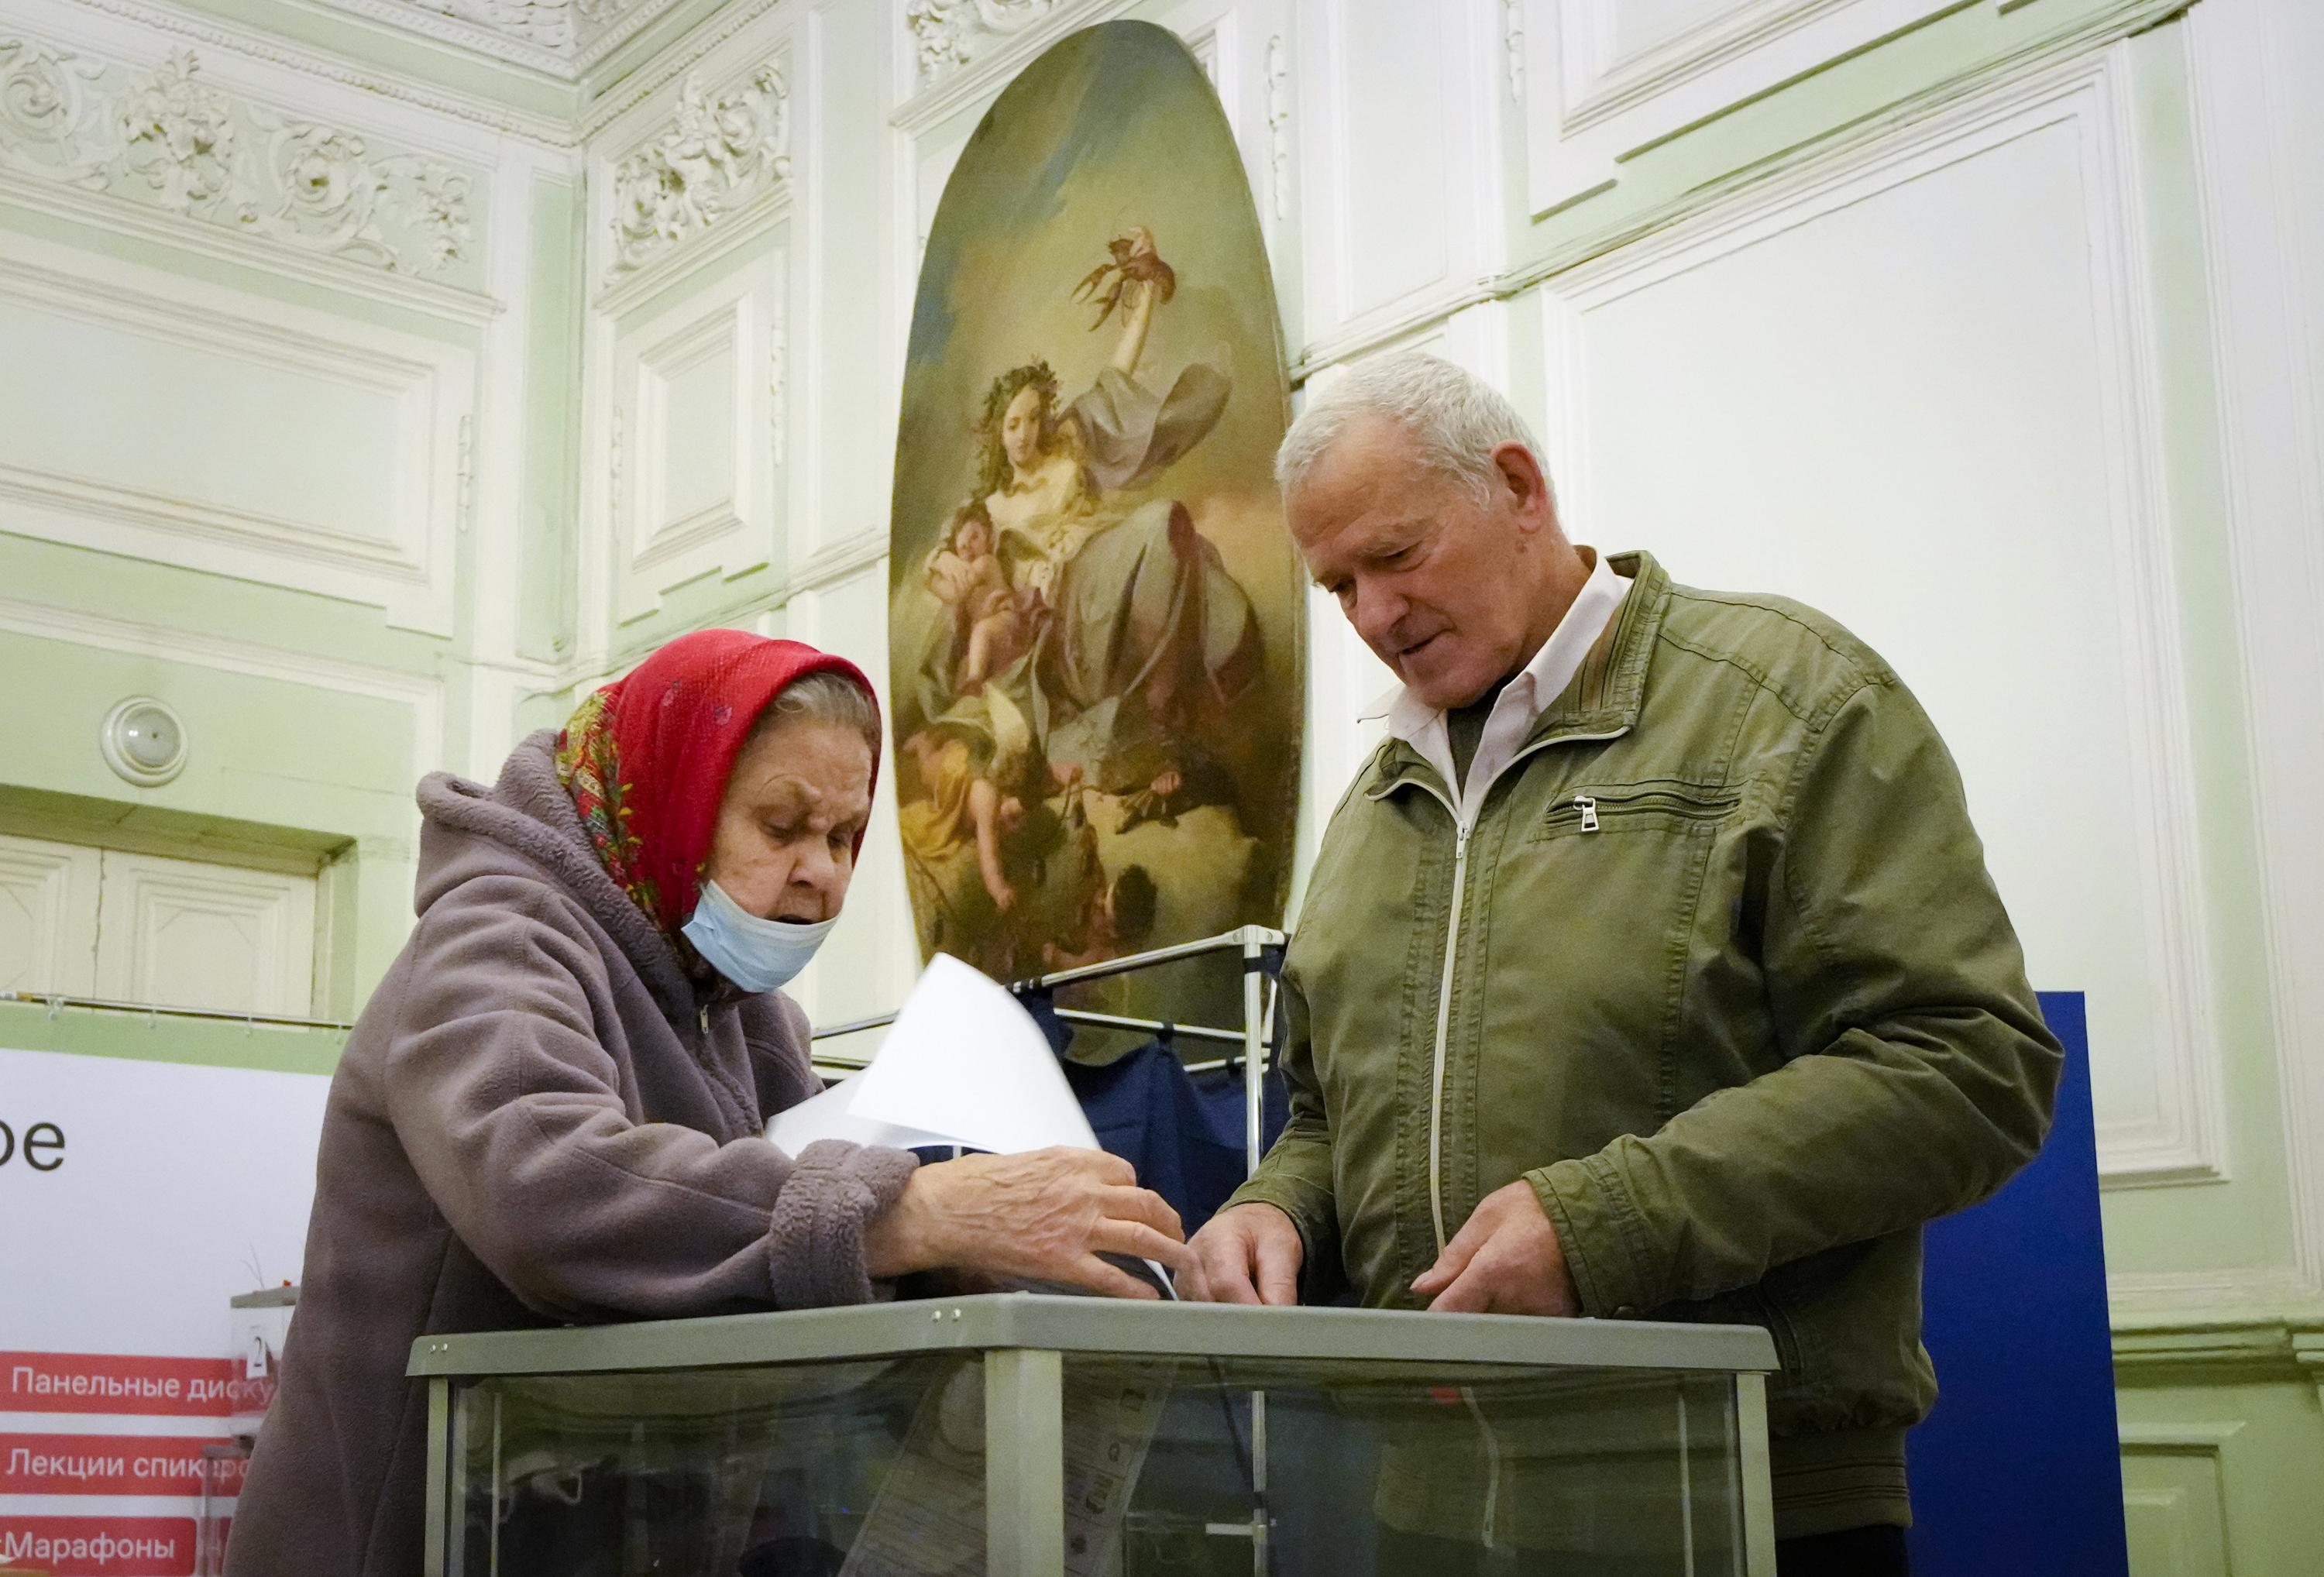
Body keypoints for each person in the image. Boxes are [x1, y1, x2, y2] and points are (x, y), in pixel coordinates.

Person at [1181, 353, 2060, 1575]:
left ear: (1520, 486)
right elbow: (1333, 1117)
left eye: (1396, 556)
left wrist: (1606, 1223)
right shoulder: (1376, 806)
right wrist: (1274, 1206)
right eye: (1336, 586)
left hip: (1736, 1495)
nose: (1373, 616)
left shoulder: (1786, 703)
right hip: (1423, 1512)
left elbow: (1968, 1065)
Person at [229, 630, 1192, 1577]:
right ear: (673, 797)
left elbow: (783, 1252)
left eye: (845, 835)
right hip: (402, 1538)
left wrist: (1033, 1274)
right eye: (782, 826)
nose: (823, 870)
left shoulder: (745, 1010)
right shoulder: (499, 936)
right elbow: (545, 1187)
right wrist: (916, 1211)